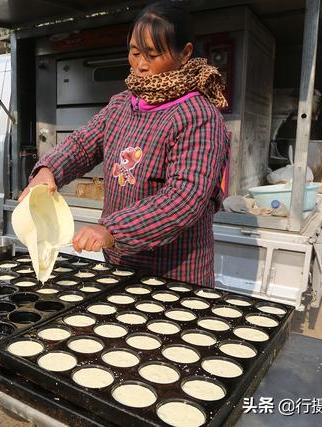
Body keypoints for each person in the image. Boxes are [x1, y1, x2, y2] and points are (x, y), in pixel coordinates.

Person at [19, 2, 230, 287]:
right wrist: (48, 171)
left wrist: (112, 230)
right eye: (134, 52)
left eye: (153, 55)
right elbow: (83, 145)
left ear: (186, 53)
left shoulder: (199, 116)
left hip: (175, 273)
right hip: (120, 264)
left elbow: (184, 197)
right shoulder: (122, 104)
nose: (141, 64)